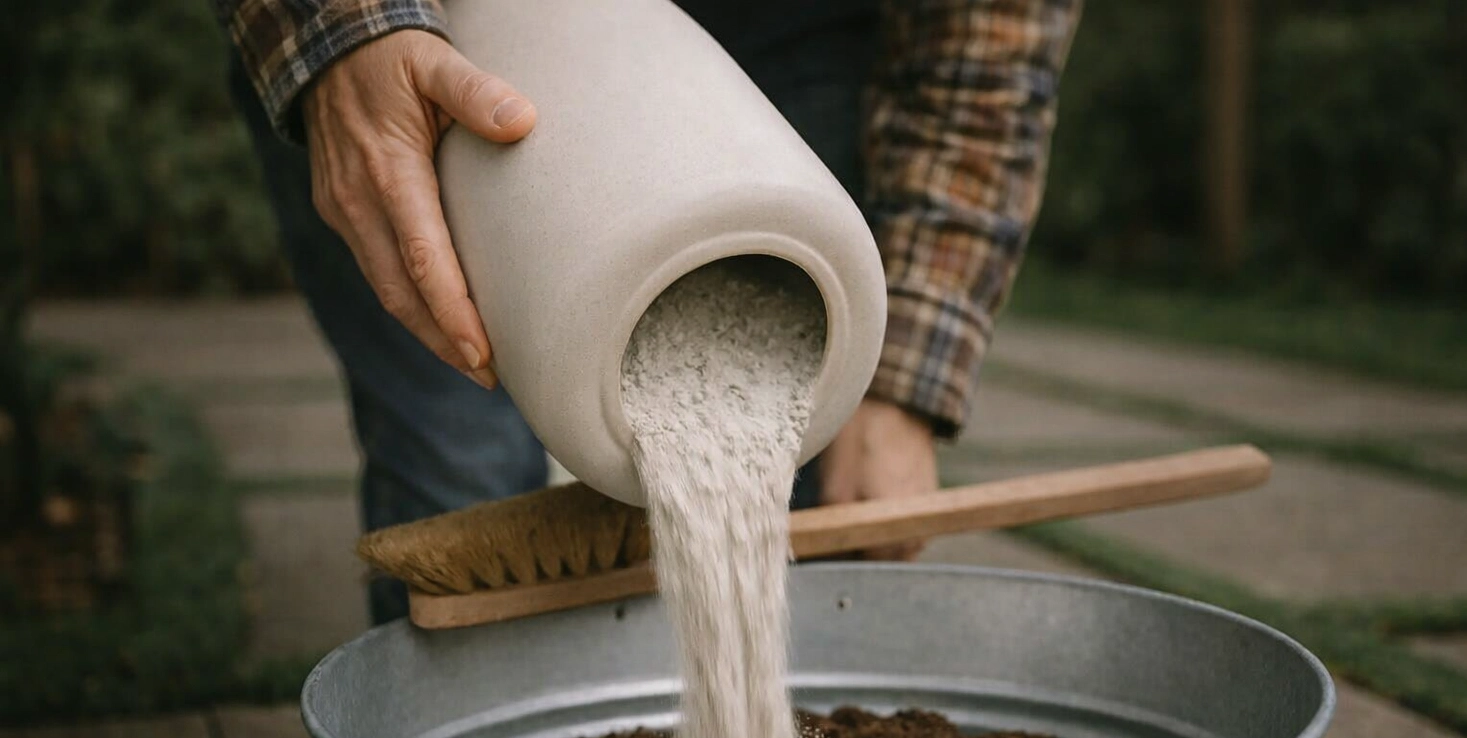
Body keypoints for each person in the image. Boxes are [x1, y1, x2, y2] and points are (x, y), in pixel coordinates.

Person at [216, 0, 1081, 624]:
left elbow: (990, 40)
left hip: (789, 30)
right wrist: (337, 32)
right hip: (426, 41)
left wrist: (904, 377)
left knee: (808, 493)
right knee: (459, 474)